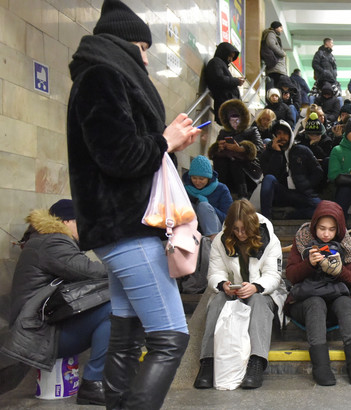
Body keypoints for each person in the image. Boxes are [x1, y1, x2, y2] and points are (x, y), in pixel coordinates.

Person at [66, 1, 202, 407]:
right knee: (171, 336)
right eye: (144, 48)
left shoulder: (100, 75)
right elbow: (120, 156)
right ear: (127, 44)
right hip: (127, 227)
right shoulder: (102, 76)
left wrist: (165, 141)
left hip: (120, 227)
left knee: (126, 333)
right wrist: (167, 140)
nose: (146, 58)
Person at [1, 200, 110, 405]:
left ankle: (101, 379)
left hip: (44, 328)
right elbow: (91, 271)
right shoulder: (53, 242)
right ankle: (93, 383)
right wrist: (126, 268)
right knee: (115, 308)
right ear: (67, 221)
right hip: (39, 335)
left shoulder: (45, 240)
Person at [194, 199, 287, 389]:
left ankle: (257, 362)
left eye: (244, 229)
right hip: (232, 292)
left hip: (263, 292)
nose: (240, 233)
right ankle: (208, 362)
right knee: (217, 299)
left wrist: (256, 287)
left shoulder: (270, 239)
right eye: (235, 229)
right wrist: (223, 285)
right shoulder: (221, 240)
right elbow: (215, 273)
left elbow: (273, 275)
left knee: (258, 300)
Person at [285, 201, 351, 386]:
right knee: (316, 303)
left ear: (338, 229)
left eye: (331, 229)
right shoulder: (302, 239)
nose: (326, 234)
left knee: (346, 303)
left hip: (334, 299)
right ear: (315, 226)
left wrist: (339, 271)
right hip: (305, 302)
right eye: (322, 228)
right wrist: (309, 264)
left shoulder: (345, 243)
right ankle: (321, 366)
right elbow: (291, 275)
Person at [259, 120, 323, 220]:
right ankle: (265, 219)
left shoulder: (302, 150)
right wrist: (277, 153)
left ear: (290, 135)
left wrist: (307, 185)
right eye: (279, 133)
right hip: (281, 193)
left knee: (321, 210)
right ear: (274, 136)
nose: (282, 136)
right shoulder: (267, 154)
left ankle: (290, 215)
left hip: (302, 193)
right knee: (268, 178)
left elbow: (317, 172)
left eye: (285, 133)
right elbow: (270, 174)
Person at [209, 99, 264, 198]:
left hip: (248, 170)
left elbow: (259, 149)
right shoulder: (223, 133)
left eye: (237, 120)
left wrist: (242, 149)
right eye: (231, 120)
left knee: (235, 160)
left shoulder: (252, 130)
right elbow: (213, 153)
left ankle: (243, 194)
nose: (234, 123)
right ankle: (220, 192)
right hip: (227, 169)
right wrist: (218, 148)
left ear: (242, 118)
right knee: (221, 160)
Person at [183, 155, 233, 239]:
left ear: (209, 178)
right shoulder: (185, 189)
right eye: (194, 178)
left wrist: (210, 208)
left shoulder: (221, 189)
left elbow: (229, 218)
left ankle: (212, 242)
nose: (197, 182)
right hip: (193, 229)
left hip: (216, 229)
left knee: (204, 206)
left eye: (201, 179)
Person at [204, 42, 245, 124]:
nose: (230, 59)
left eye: (232, 57)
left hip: (229, 105)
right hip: (226, 104)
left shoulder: (220, 64)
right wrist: (236, 81)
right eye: (229, 56)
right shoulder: (216, 62)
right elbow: (219, 79)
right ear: (224, 53)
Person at [260, 21, 287, 88]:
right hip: (275, 68)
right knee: (274, 88)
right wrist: (282, 53)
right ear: (276, 28)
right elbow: (271, 44)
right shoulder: (271, 34)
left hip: (276, 68)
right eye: (280, 27)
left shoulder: (272, 35)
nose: (281, 29)